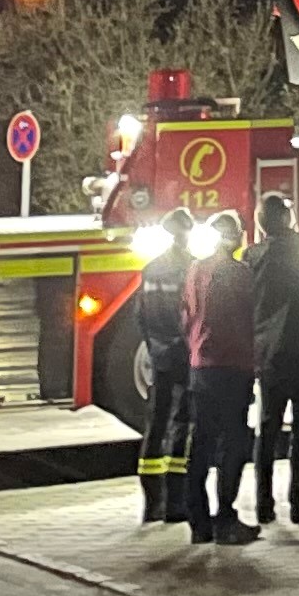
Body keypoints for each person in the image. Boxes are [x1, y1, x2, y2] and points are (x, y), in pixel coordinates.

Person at [245, 193, 299, 526]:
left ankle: (263, 504)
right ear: (286, 218)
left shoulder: (251, 256)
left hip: (268, 355)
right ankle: (298, 500)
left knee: (267, 428)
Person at [184, 209, 259, 545]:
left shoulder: (195, 270)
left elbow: (185, 315)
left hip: (201, 366)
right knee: (232, 445)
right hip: (233, 367)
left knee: (200, 444)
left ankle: (198, 523)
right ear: (236, 237)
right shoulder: (240, 274)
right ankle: (226, 519)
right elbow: (251, 318)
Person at [130, 206, 195, 525]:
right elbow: (192, 315)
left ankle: (151, 503)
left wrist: (155, 347)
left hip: (159, 356)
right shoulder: (190, 268)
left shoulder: (151, 269)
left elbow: (140, 315)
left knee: (155, 424)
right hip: (183, 355)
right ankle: (175, 504)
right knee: (182, 424)